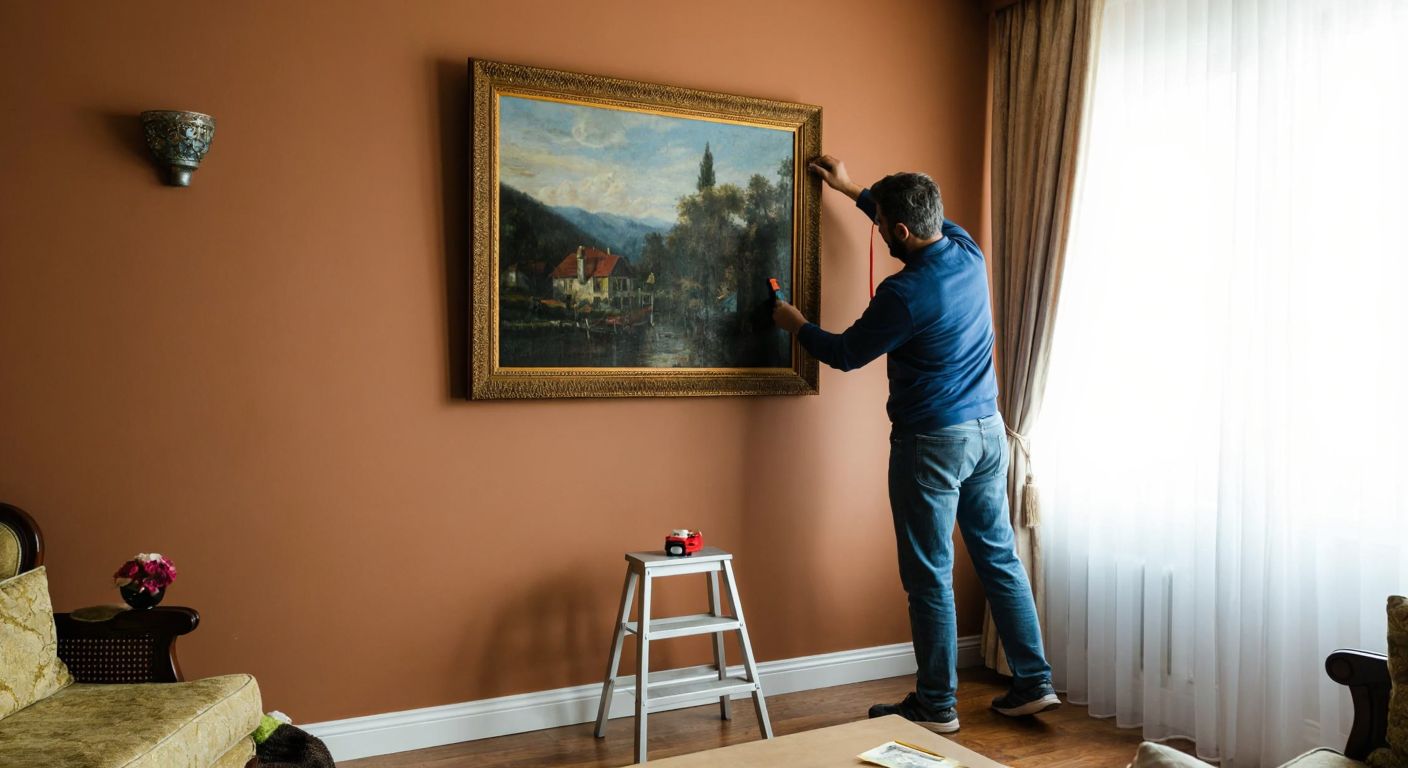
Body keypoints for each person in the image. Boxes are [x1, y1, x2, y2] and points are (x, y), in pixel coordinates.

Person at [772, 156, 1060, 733]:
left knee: (929, 575)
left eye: (881, 225)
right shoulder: (966, 248)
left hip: (932, 443)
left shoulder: (903, 293)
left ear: (899, 232)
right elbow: (901, 217)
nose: (878, 230)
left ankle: (936, 706)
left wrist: (795, 324)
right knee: (998, 557)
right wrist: (851, 187)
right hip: (986, 432)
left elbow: (848, 353)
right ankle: (1033, 683)